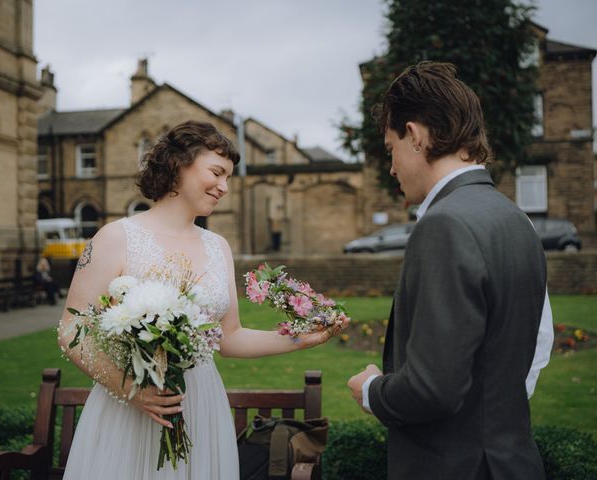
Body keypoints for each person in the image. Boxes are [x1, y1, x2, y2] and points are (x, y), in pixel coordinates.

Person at [58, 120, 346, 480]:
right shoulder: (115, 238)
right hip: (131, 408)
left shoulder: (217, 246)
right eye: (217, 172)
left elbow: (230, 337)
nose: (224, 186)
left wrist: (303, 338)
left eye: (229, 178)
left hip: (201, 405)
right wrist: (132, 389)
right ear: (179, 165)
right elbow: (71, 330)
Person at [347, 62, 553, 479]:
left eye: (391, 148)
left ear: (416, 136)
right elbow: (528, 353)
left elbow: (431, 389)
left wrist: (371, 390)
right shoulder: (516, 219)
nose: (391, 168)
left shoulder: (443, 224)